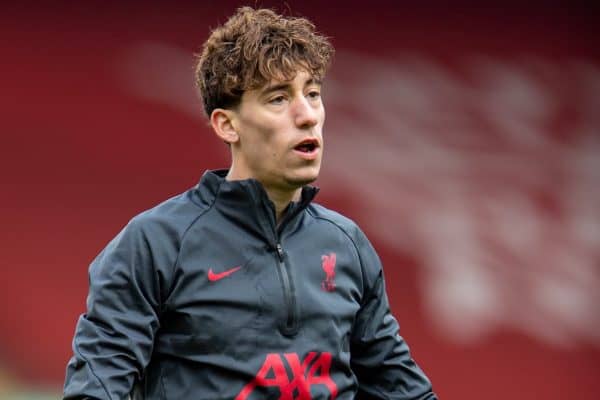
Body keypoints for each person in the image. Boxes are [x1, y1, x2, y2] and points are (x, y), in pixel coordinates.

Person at [63, 6, 437, 400]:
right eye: (278, 99)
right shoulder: (156, 243)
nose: (307, 115)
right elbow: (97, 389)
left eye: (312, 94)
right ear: (227, 124)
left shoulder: (347, 245)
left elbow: (403, 391)